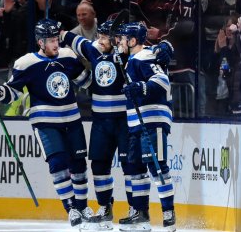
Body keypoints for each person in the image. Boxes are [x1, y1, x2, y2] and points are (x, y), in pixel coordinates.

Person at [0, 19, 95, 228]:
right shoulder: (26, 63)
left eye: (56, 39)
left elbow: (86, 82)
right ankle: (72, 209)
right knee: (58, 164)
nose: (55, 44)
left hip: (72, 119)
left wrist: (96, 62)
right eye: (50, 40)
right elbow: (11, 94)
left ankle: (83, 205)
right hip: (45, 122)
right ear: (40, 42)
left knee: (78, 165)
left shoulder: (68, 56)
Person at [61, 18, 173, 230]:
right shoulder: (94, 51)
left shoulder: (126, 55)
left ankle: (137, 209)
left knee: (132, 167)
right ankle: (105, 207)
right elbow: (76, 40)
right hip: (100, 121)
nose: (100, 40)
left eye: (105, 37)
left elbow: (150, 52)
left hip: (124, 120)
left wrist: (165, 46)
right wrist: (61, 33)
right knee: (99, 165)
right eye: (99, 36)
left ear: (117, 39)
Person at [118, 22, 176, 232]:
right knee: (134, 167)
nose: (119, 42)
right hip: (136, 122)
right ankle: (141, 214)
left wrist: (141, 87)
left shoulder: (144, 57)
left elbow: (161, 81)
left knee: (157, 166)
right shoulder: (133, 59)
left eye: (122, 38)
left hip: (152, 119)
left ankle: (168, 213)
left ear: (132, 41)